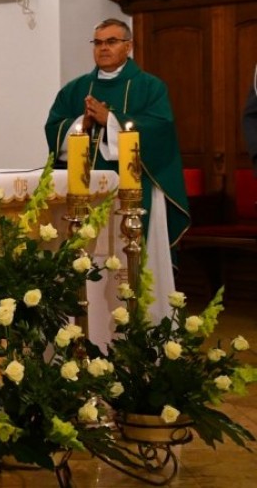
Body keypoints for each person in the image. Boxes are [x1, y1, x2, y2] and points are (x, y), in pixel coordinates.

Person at [45, 18, 190, 320]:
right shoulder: (75, 89)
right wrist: (81, 123)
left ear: (129, 46)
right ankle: (90, 321)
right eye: (98, 42)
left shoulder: (150, 87)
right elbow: (54, 128)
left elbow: (160, 130)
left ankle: (143, 323)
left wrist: (110, 119)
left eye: (111, 42)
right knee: (87, 256)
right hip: (85, 192)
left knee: (135, 262)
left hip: (138, 190)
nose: (103, 48)